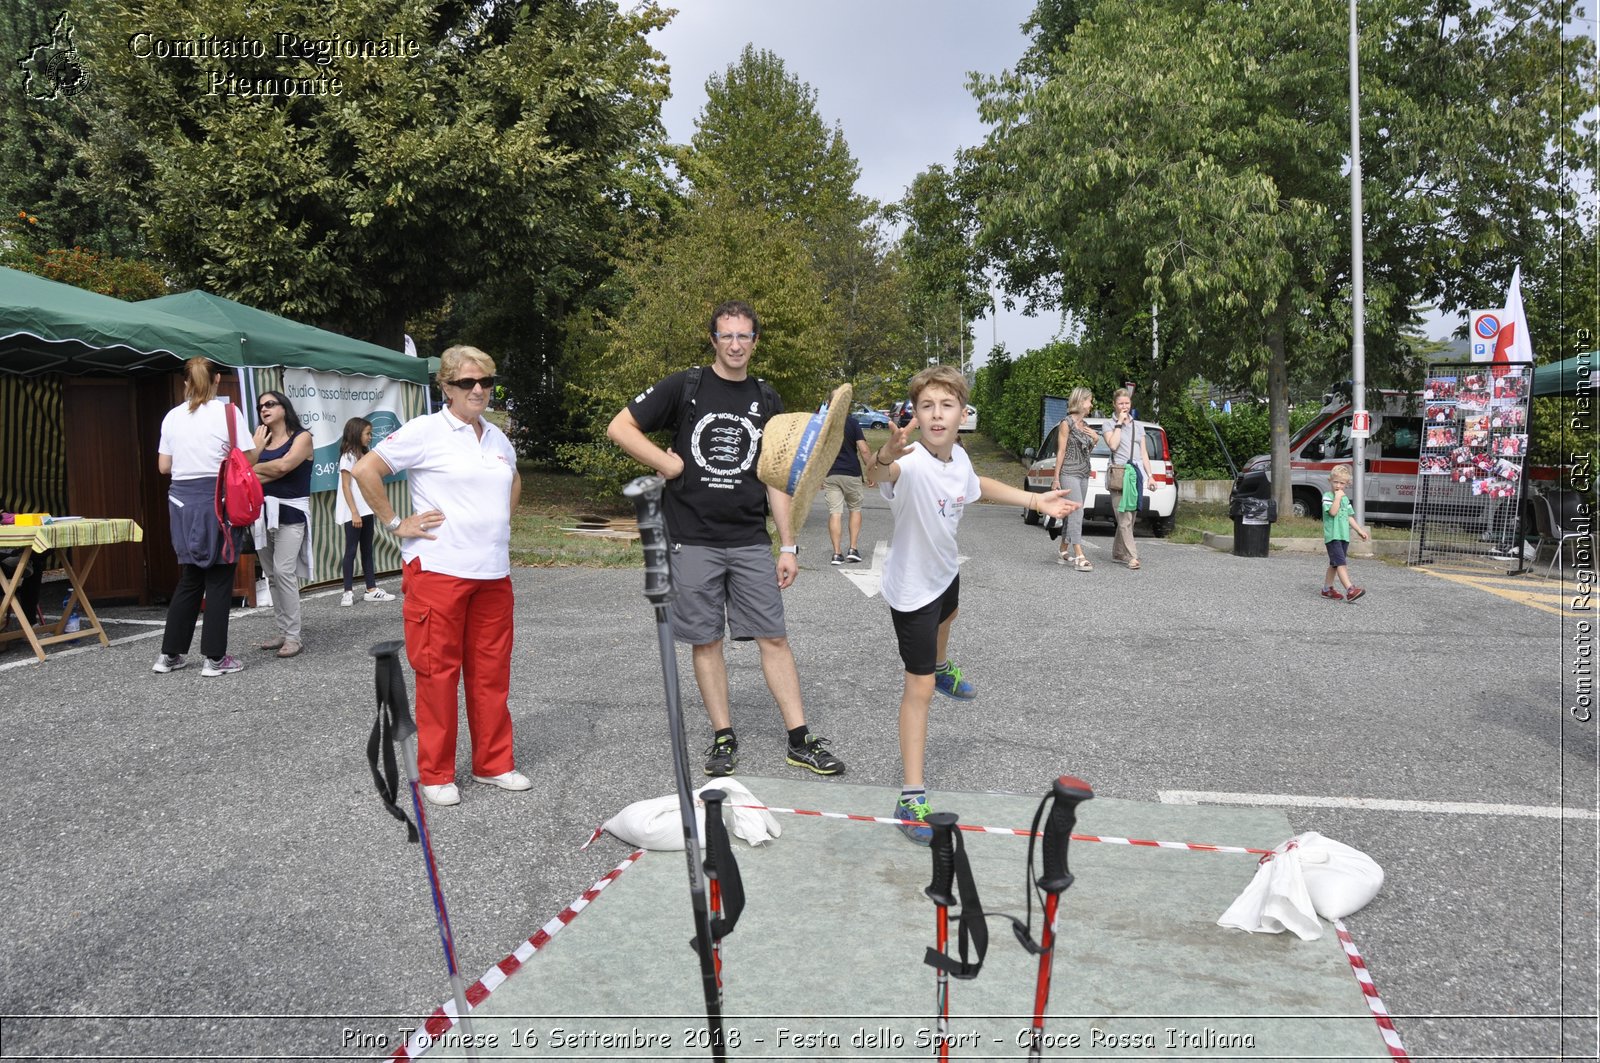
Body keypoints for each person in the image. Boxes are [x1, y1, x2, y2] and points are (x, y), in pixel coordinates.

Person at [606, 299, 846, 779]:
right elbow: (620, 426)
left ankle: (800, 739)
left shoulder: (767, 397)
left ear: (756, 342)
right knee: (706, 640)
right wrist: (666, 462)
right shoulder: (686, 386)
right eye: (726, 336)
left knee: (774, 637)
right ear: (714, 340)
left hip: (750, 540)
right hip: (691, 538)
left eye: (744, 336)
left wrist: (789, 544)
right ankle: (723, 736)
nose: (735, 344)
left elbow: (776, 478)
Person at [864, 365, 1076, 843]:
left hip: (944, 575)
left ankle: (941, 665)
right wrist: (883, 454)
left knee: (952, 611)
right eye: (926, 406)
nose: (936, 415)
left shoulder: (957, 458)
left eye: (946, 405)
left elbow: (977, 486)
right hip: (913, 592)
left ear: (963, 413)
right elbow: (879, 473)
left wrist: (1034, 500)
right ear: (914, 414)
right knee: (917, 693)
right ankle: (911, 796)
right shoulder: (911, 460)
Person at [352, 345, 528, 807]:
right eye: (468, 382)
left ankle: (493, 764)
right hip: (439, 571)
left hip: (492, 573)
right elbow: (365, 469)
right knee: (437, 674)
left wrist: (498, 524)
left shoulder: (495, 436)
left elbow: (512, 480)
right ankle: (436, 773)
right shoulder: (426, 431)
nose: (478, 390)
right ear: (446, 387)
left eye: (486, 382)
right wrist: (396, 524)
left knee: (491, 673)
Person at [153, 357, 257, 677]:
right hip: (217, 499)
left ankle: (169, 655)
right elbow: (248, 456)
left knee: (190, 577)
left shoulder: (172, 417)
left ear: (186, 383)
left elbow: (164, 467)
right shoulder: (228, 413)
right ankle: (215, 658)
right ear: (217, 380)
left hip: (182, 502)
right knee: (220, 576)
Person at [250, 390, 313, 658]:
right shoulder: (259, 440)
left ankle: (293, 637)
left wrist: (259, 468)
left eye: (270, 404)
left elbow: (284, 467)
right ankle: (283, 630)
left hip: (291, 514)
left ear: (284, 408)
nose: (264, 409)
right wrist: (257, 454)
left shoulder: (303, 437)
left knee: (283, 570)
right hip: (262, 515)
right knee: (272, 575)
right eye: (261, 406)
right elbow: (242, 474)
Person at [335, 417, 395, 607]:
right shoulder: (348, 456)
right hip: (354, 512)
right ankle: (347, 591)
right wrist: (354, 512)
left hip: (367, 510)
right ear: (356, 434)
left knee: (367, 549)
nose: (370, 437)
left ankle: (371, 589)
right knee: (351, 550)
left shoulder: (365, 455)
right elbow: (346, 486)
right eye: (367, 433)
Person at [1102, 387, 1153, 570]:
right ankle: (1132, 556)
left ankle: (1118, 552)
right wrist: (1119, 424)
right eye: (1121, 403)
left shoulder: (1138, 427)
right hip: (1118, 474)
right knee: (1123, 517)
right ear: (1114, 405)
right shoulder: (1109, 424)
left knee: (1130, 518)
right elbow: (1113, 445)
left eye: (1127, 403)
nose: (1124, 406)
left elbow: (1144, 453)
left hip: (1135, 475)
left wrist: (1151, 476)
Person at [1050, 386, 1100, 570]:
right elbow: (1061, 451)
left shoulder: (1086, 426)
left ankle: (1063, 548)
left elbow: (1086, 451)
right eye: (1089, 400)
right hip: (1069, 472)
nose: (1091, 404)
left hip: (1083, 473)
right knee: (1077, 510)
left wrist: (1095, 440)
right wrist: (1056, 478)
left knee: (1073, 511)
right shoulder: (1067, 423)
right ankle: (1079, 554)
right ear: (1080, 401)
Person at [824, 410, 873, 565]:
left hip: (831, 473)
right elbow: (863, 449)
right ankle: (853, 549)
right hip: (851, 472)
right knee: (855, 508)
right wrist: (871, 471)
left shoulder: (824, 424)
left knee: (835, 513)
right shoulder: (852, 423)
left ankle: (837, 554)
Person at [1322, 463, 1370, 602]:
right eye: (1335, 482)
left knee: (1334, 563)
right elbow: (1332, 512)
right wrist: (1337, 498)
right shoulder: (1328, 496)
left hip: (1343, 536)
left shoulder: (1344, 499)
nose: (1338, 486)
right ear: (1330, 481)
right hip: (1333, 536)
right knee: (1341, 563)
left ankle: (1327, 589)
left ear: (1347, 484)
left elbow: (1349, 516)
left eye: (1342, 483)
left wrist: (1359, 530)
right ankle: (1350, 589)